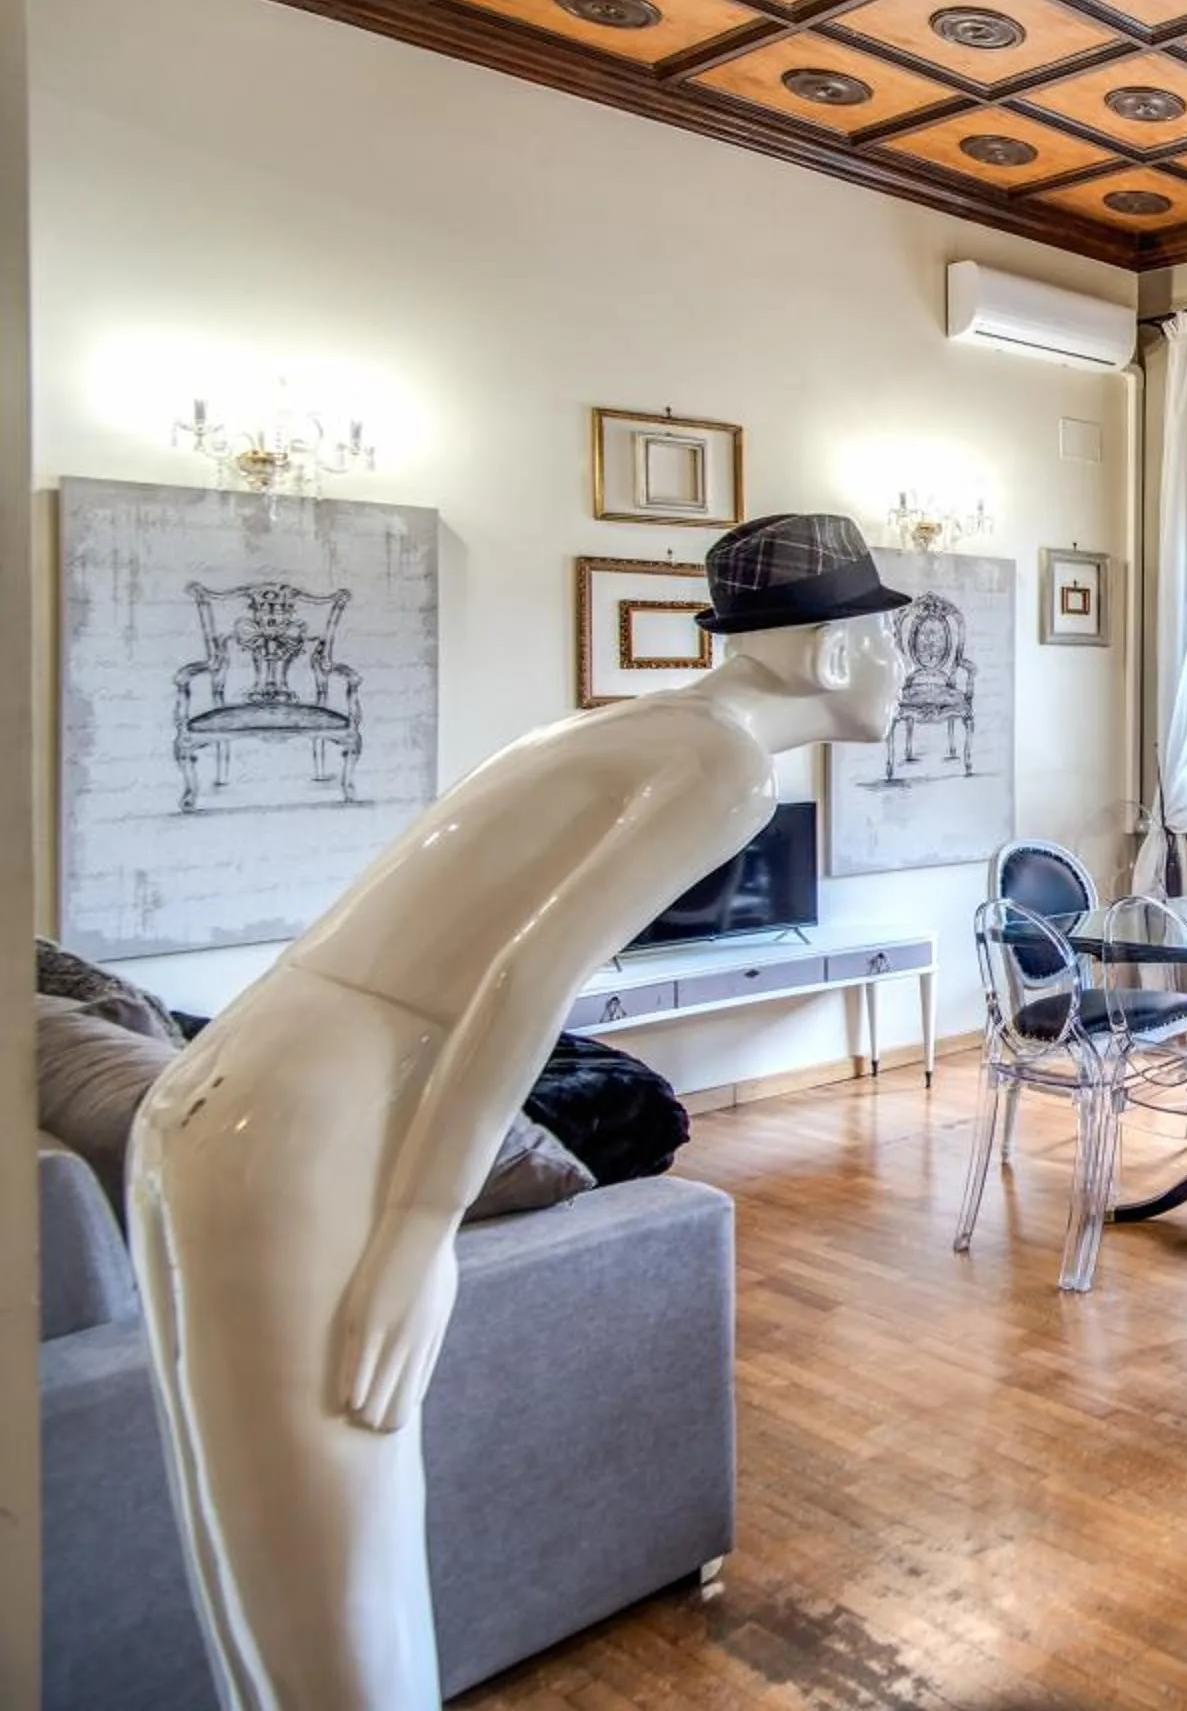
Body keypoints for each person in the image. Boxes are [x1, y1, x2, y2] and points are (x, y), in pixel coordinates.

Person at [127, 513, 910, 1710]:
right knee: (342, 1588)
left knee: (254, 1575)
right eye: (885, 634)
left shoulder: (630, 725)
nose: (903, 662)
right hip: (319, 1111)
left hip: (229, 1074)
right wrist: (418, 1228)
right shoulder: (726, 764)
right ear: (828, 650)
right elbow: (528, 980)